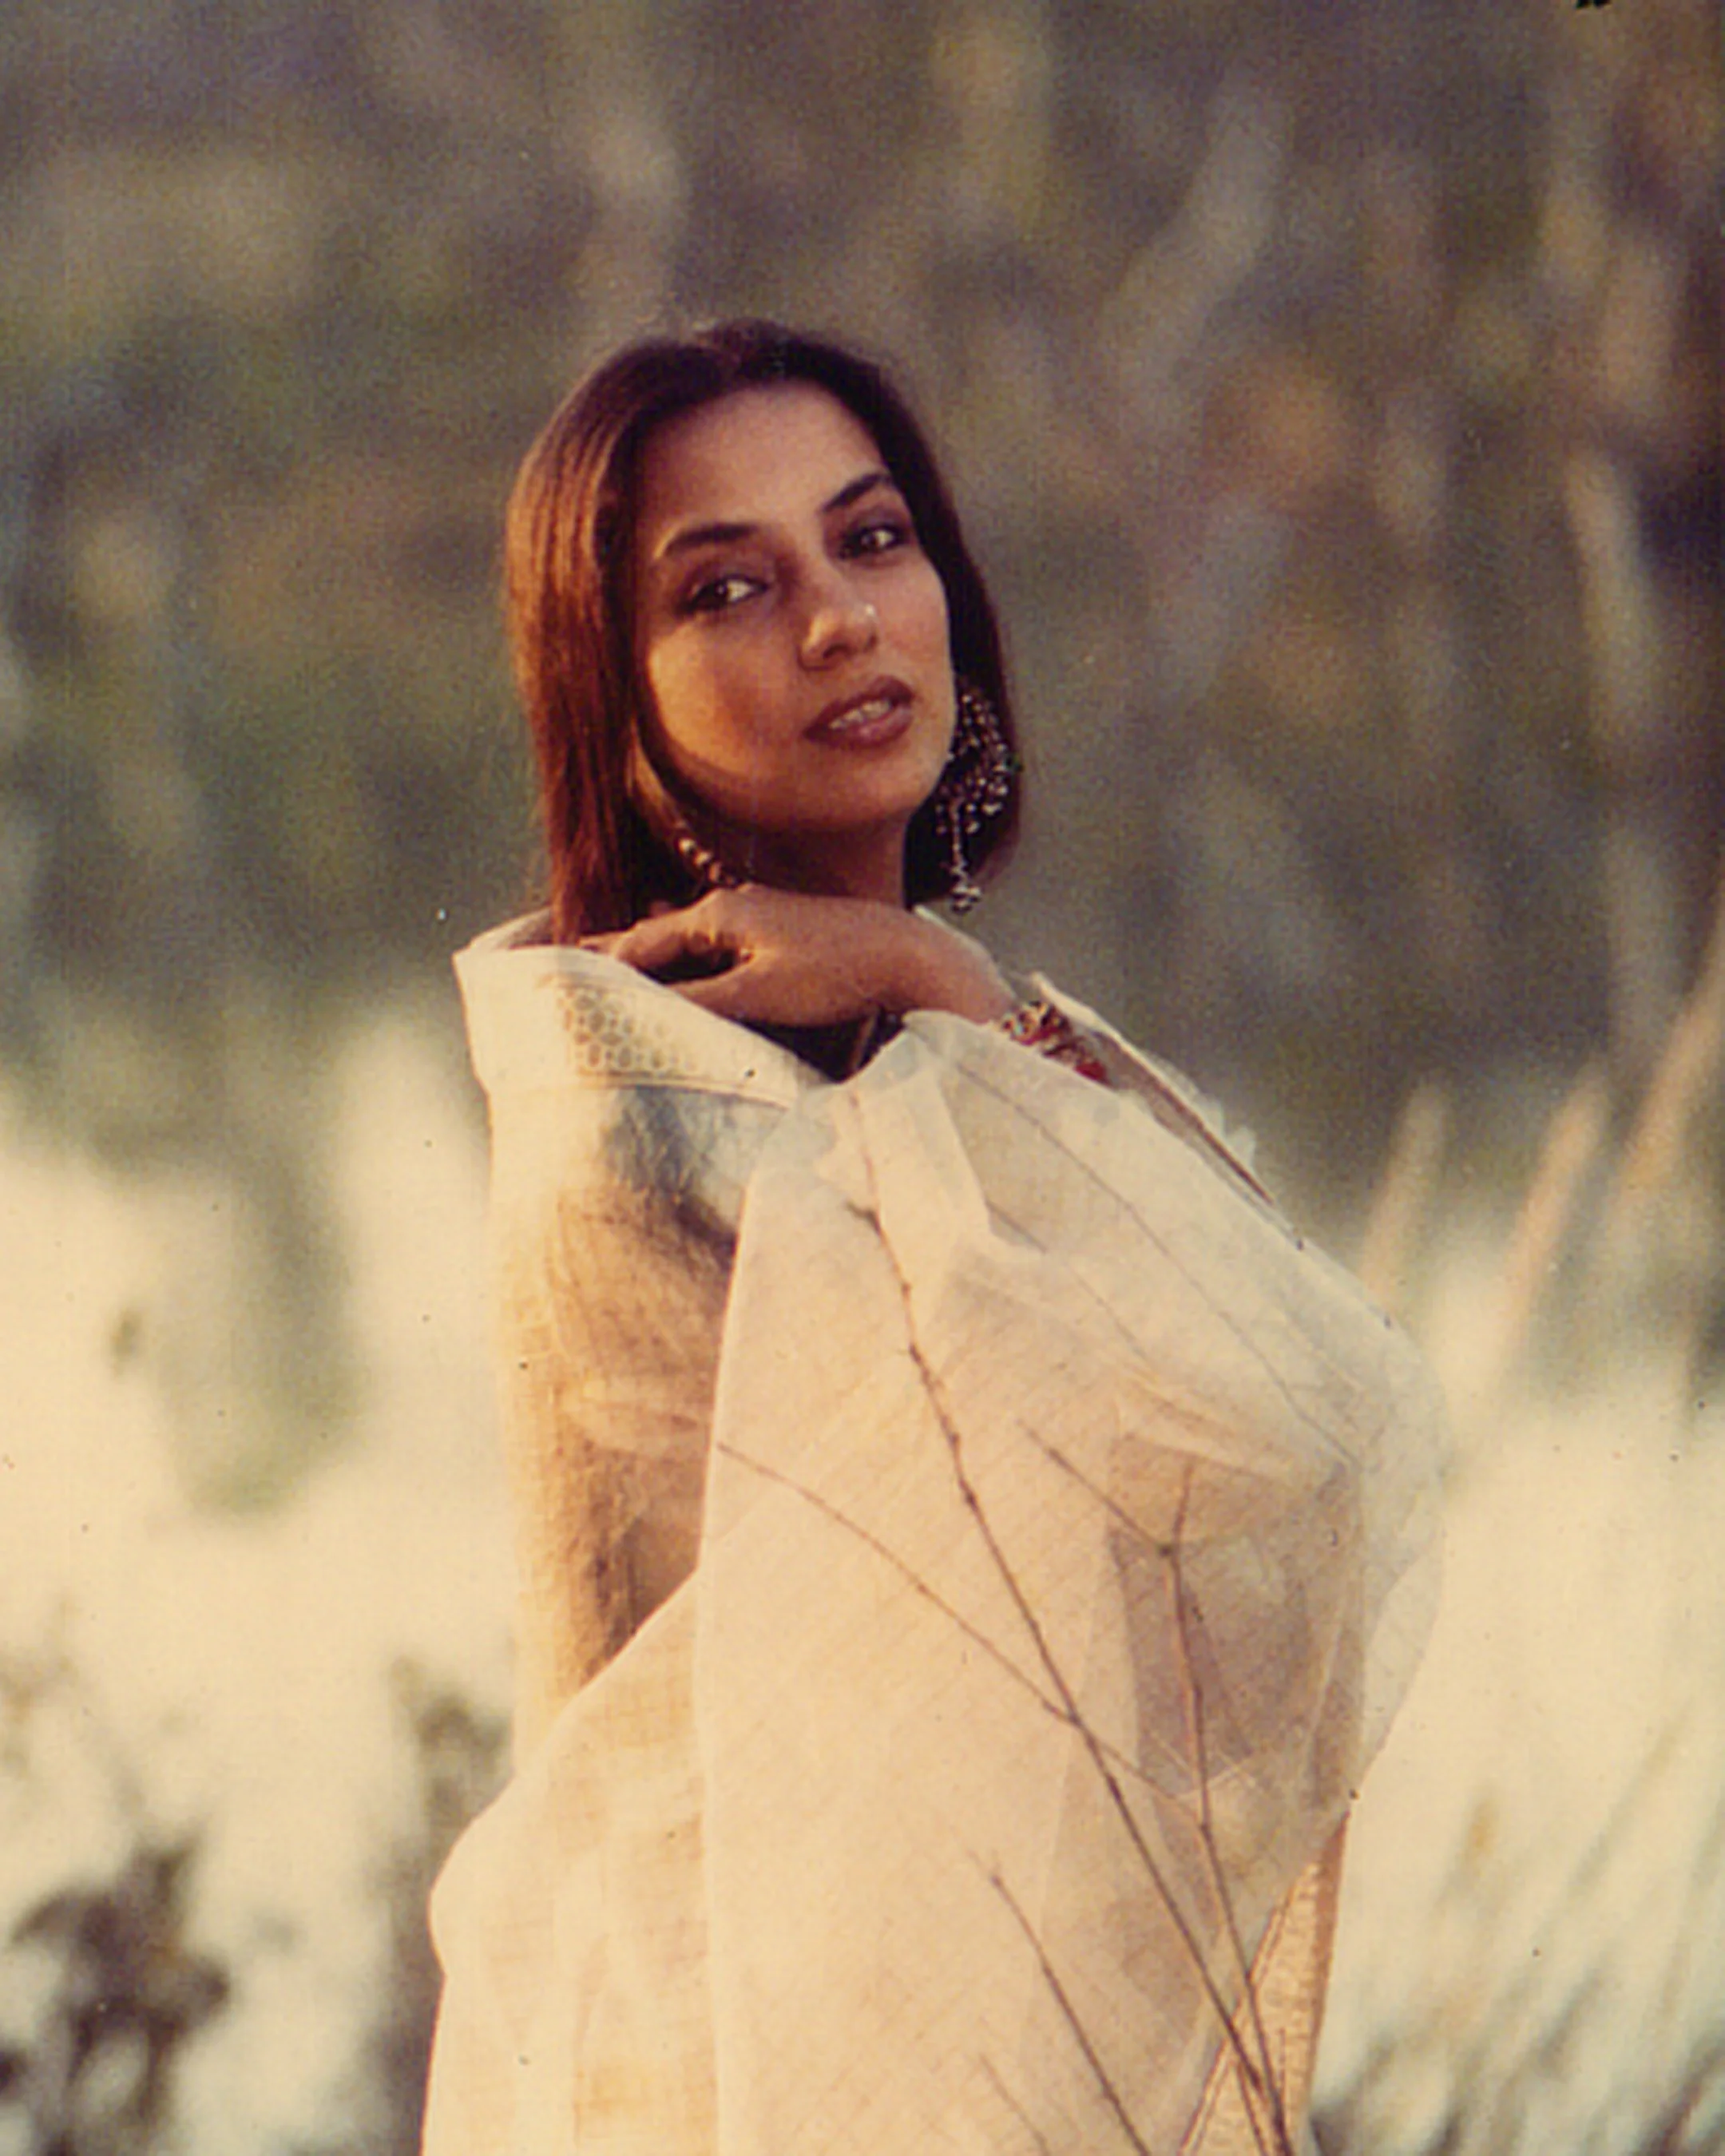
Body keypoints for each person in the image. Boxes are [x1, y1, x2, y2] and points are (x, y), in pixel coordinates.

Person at [421, 320, 1443, 2156]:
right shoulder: (643, 1123)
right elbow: (1311, 1422)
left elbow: (1313, 1443)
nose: (836, 622)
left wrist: (936, 986)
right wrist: (951, 1005)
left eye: (870, 540)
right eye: (727, 586)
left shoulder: (945, 1047)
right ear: (611, 691)